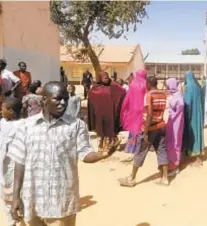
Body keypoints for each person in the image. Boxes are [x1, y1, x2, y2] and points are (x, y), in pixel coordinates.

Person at [8, 81, 119, 226]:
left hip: (61, 203)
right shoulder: (26, 126)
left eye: (66, 99)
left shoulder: (76, 125)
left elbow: (85, 154)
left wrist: (102, 154)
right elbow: (19, 162)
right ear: (44, 100)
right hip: (32, 200)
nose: (63, 103)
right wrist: (16, 196)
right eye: (58, 98)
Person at [119, 76, 169, 187]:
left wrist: (146, 131)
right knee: (162, 151)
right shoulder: (163, 94)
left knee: (140, 151)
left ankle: (131, 178)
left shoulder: (149, 95)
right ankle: (165, 178)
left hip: (150, 127)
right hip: (160, 126)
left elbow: (150, 113)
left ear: (148, 84)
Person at [0, 98, 25, 226]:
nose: (1, 111)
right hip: (3, 168)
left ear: (10, 111)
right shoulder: (2, 123)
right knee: (5, 197)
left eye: (2, 108)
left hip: (16, 167)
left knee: (18, 196)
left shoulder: (23, 126)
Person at [87, 71, 126, 151]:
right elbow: (91, 95)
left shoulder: (113, 85)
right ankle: (101, 142)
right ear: (100, 78)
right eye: (104, 78)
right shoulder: (95, 88)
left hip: (110, 113)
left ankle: (111, 142)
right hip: (99, 113)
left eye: (107, 77)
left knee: (109, 128)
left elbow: (122, 91)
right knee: (100, 129)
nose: (106, 79)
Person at [120, 70, 147, 161]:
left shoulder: (133, 84)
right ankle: (139, 147)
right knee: (141, 128)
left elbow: (127, 98)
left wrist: (124, 107)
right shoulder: (146, 84)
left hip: (133, 109)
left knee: (133, 128)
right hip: (142, 109)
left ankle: (130, 147)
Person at [183, 71, 205, 166]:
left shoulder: (189, 88)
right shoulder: (197, 87)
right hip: (198, 114)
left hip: (191, 115)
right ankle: (196, 155)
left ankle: (197, 159)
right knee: (197, 133)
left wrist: (186, 115)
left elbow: (188, 103)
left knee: (193, 134)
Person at [166, 78, 184, 177]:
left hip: (176, 122)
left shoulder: (178, 96)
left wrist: (172, 113)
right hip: (173, 122)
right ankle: (172, 164)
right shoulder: (175, 94)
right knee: (171, 142)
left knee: (176, 143)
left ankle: (175, 166)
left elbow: (180, 105)